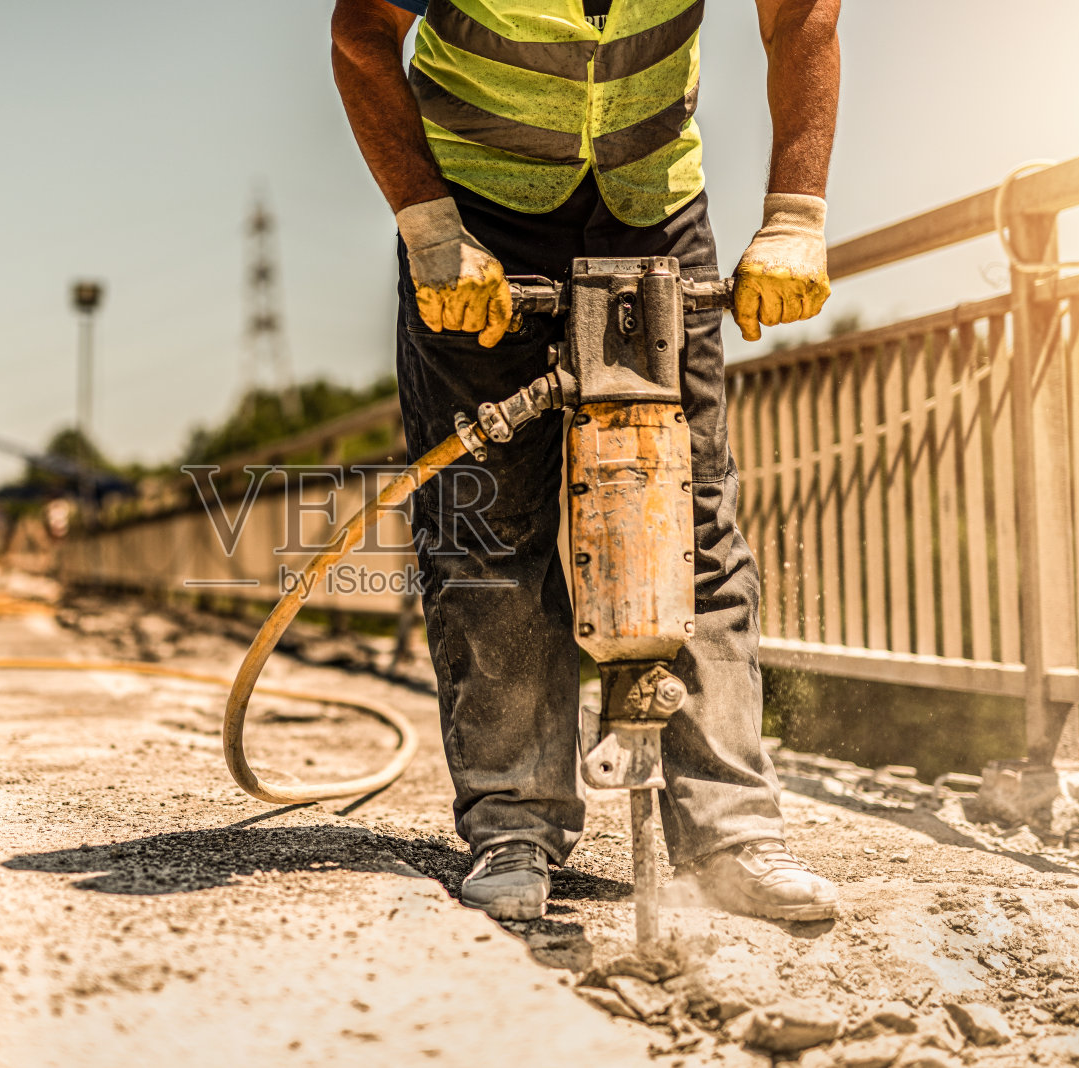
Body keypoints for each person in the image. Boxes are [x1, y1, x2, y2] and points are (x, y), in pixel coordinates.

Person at [330, 0, 841, 922]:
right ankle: (514, 822)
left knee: (692, 516)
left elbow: (801, 15)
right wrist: (431, 230)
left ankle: (730, 831)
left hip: (651, 208)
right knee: (489, 527)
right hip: (479, 213)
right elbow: (362, 31)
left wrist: (796, 215)